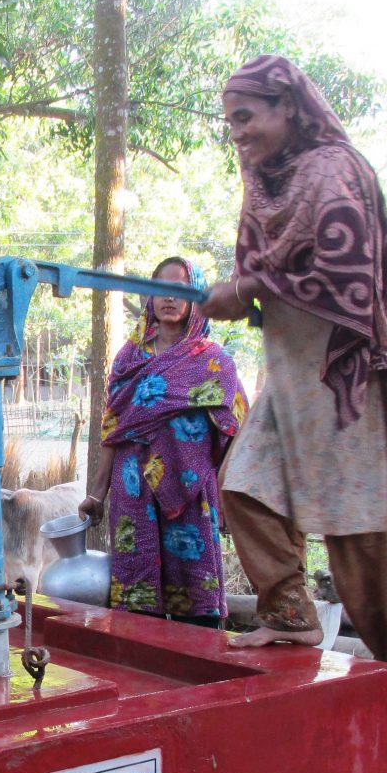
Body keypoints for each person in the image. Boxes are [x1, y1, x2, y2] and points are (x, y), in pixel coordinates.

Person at [200, 55, 387, 675]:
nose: (238, 131)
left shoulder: (337, 170)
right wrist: (240, 293)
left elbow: (351, 280)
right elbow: (261, 280)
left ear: (287, 106)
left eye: (246, 116)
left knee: (364, 535)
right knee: (244, 487)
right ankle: (290, 616)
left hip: (354, 375)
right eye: (230, 120)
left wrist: (252, 285)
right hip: (292, 379)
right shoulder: (263, 182)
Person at [78, 257, 247, 627]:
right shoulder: (128, 358)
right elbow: (113, 429)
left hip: (191, 489)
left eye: (179, 290)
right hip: (132, 485)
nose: (167, 299)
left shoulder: (215, 363)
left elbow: (234, 432)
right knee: (137, 586)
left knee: (195, 589)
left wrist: (228, 496)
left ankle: (198, 674)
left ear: (197, 298)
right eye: (159, 290)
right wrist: (96, 494)